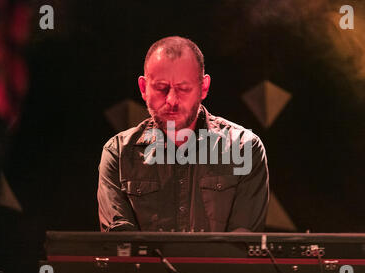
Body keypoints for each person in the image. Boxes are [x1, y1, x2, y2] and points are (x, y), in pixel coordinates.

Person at [97, 36, 269, 233]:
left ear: (203, 87)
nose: (171, 100)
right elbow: (121, 247)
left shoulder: (245, 147)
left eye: (183, 88)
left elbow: (241, 247)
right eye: (161, 88)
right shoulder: (118, 153)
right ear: (143, 88)